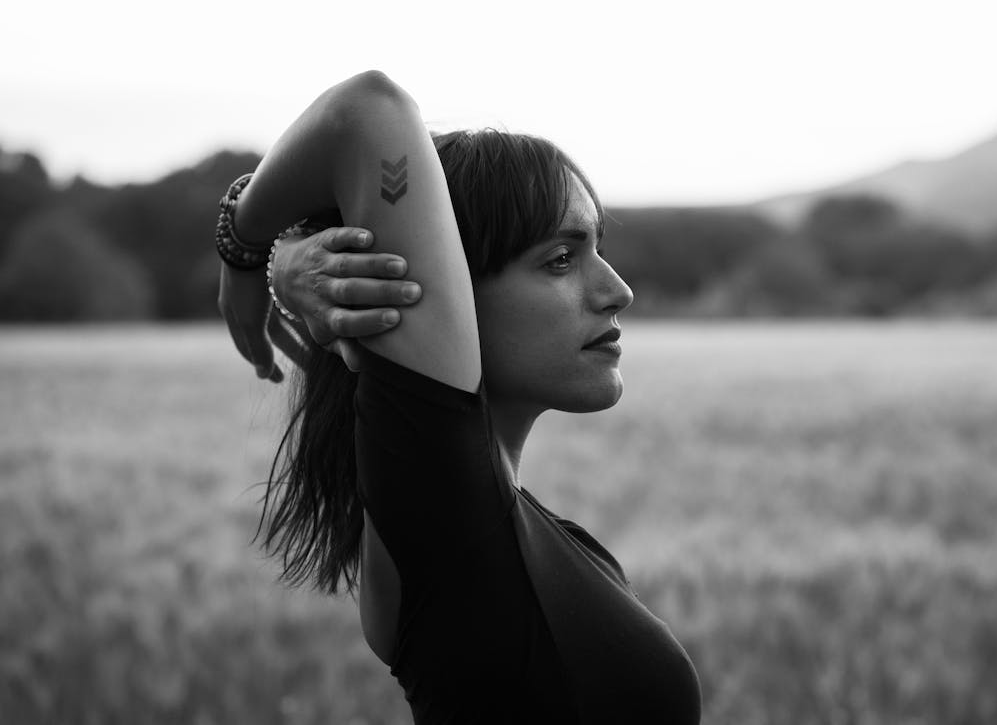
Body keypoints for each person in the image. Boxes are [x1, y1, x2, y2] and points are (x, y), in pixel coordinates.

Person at [216, 71, 701, 724]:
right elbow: (368, 108)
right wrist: (245, 251)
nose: (617, 290)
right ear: (449, 297)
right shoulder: (448, 519)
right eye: (560, 258)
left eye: (597, 250)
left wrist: (279, 250)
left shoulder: (523, 536)